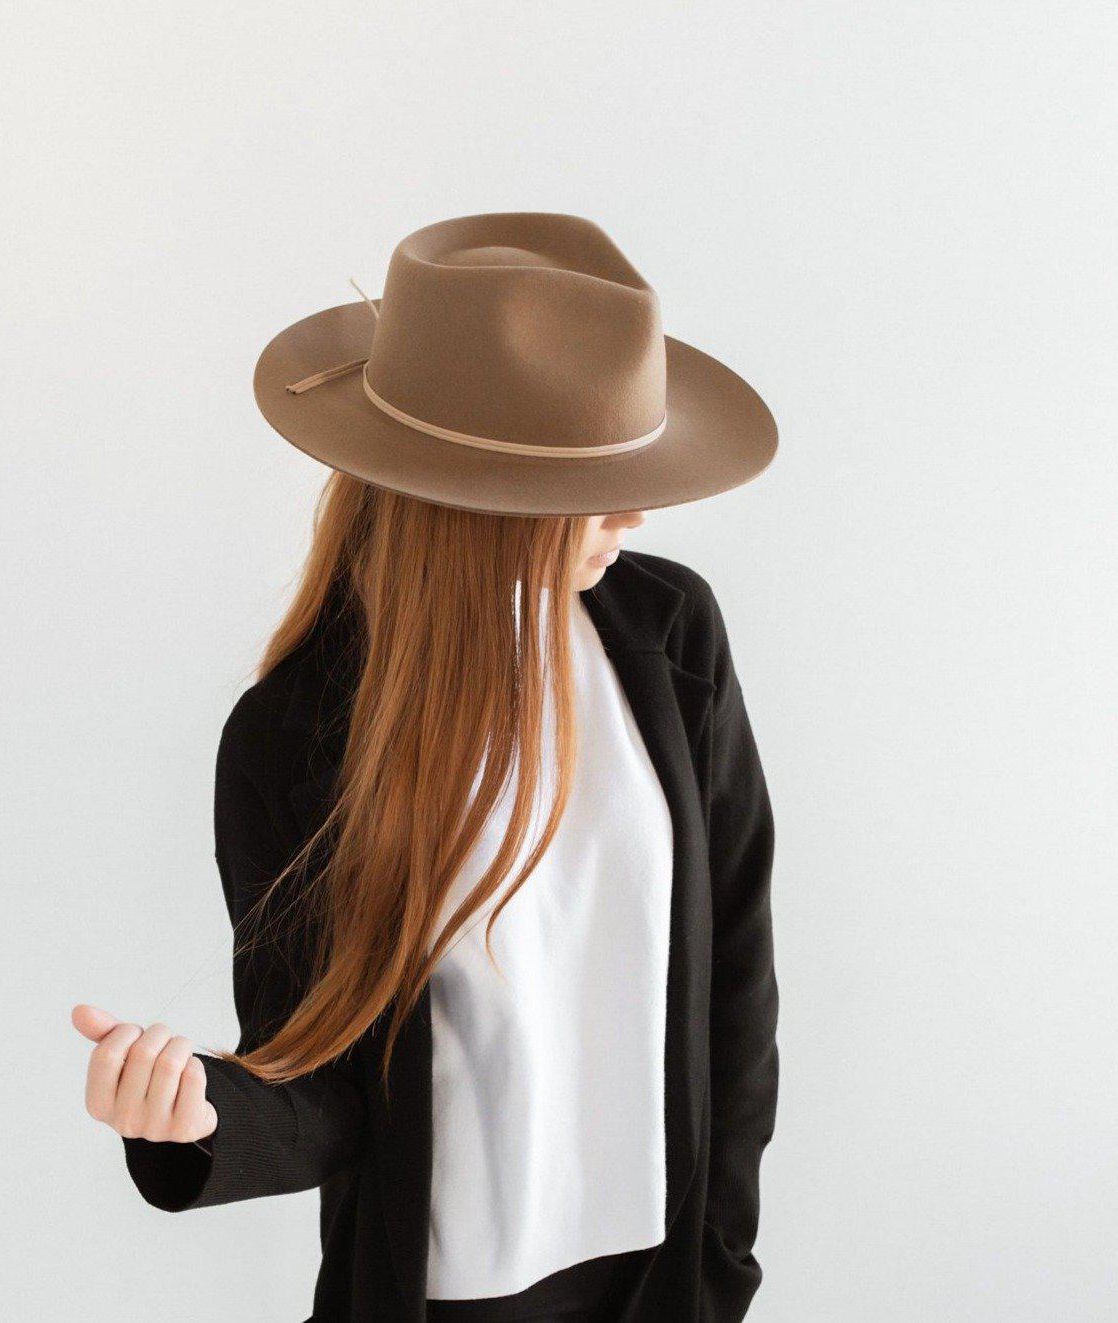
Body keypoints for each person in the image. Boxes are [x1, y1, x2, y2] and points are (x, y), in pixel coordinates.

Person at [71, 212, 780, 1322]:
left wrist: (723, 1262)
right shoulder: (296, 738)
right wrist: (202, 1111)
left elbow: (736, 963)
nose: (635, 513)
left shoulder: (667, 632)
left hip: (664, 1284)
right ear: (477, 503)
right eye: (592, 481)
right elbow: (329, 1082)